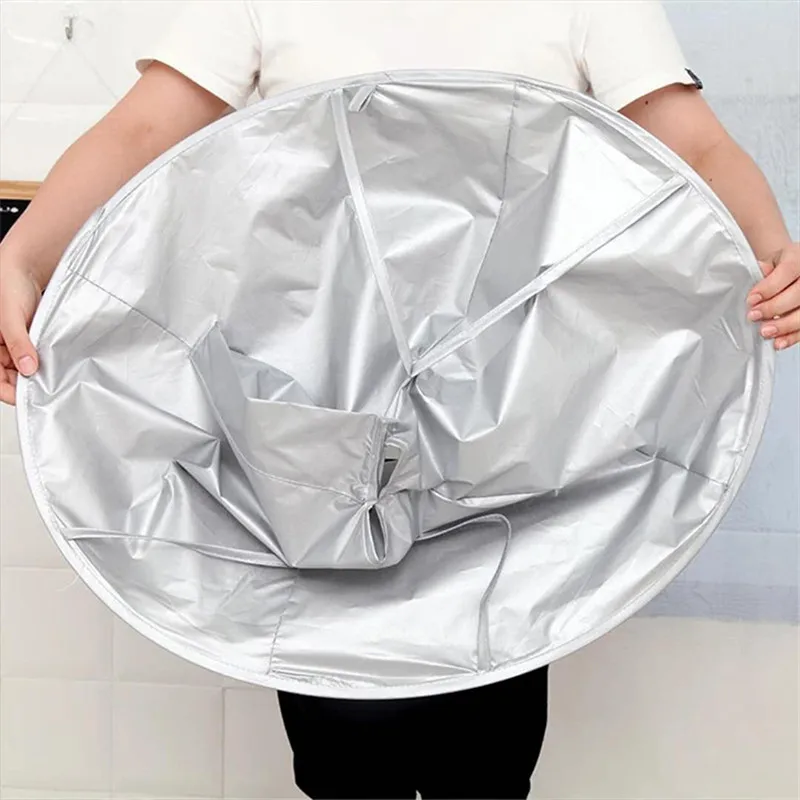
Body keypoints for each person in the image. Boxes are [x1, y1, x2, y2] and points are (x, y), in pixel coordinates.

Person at [0, 2, 797, 797]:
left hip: (504, 443)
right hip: (324, 435)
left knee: (484, 755)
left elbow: (692, 145)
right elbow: (142, 132)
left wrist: (773, 252)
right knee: (347, 753)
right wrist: (21, 258)